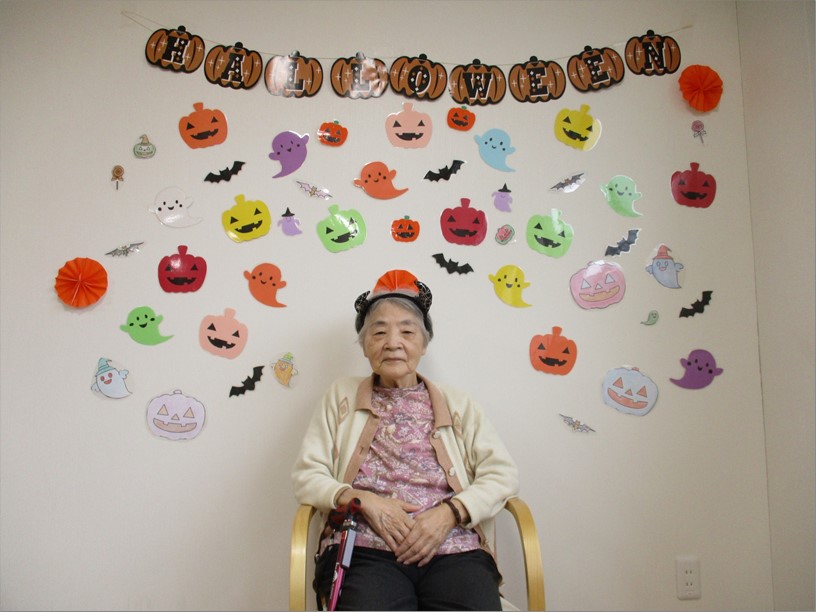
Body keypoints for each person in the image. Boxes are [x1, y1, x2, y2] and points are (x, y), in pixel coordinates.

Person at [292, 269, 519, 610]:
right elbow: (307, 476)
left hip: (453, 549)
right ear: (364, 345)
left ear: (424, 344)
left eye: (407, 331)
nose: (393, 342)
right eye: (379, 332)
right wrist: (363, 500)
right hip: (365, 552)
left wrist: (451, 512)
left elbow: (502, 474)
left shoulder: (458, 403)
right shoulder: (340, 397)